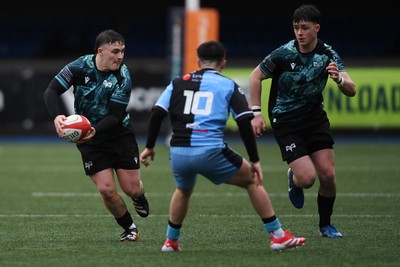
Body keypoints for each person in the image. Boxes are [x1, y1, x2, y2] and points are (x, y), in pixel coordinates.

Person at [140, 40, 306, 252]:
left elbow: (157, 113)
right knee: (253, 180)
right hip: (210, 150)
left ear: (198, 61)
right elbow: (245, 121)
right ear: (224, 62)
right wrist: (254, 160)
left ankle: (171, 241)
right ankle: (278, 236)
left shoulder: (178, 82)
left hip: (178, 152)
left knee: (183, 190)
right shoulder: (228, 85)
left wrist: (150, 147)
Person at [249, 4, 357, 238]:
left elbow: (352, 89)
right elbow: (256, 75)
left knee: (327, 175)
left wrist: (338, 80)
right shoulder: (283, 54)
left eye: (305, 28)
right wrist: (256, 113)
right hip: (286, 121)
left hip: (314, 120)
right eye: (296, 28)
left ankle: (325, 225)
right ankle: (294, 179)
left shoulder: (328, 54)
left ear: (316, 28)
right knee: (307, 179)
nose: (300, 32)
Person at [43, 29, 149, 242]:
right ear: (100, 51)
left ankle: (139, 195)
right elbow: (51, 91)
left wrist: (95, 130)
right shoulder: (79, 67)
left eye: (123, 51)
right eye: (115, 51)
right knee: (107, 190)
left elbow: (115, 115)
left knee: (131, 188)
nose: (120, 56)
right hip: (89, 139)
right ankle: (129, 228)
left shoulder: (123, 76)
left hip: (118, 133)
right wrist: (57, 116)